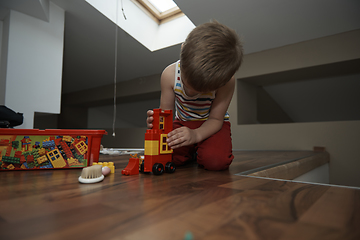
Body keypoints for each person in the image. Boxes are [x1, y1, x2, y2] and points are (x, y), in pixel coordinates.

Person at [147, 20, 243, 171]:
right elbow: (167, 117)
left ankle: (197, 147)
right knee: (167, 156)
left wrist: (196, 135)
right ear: (182, 49)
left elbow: (216, 119)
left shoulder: (227, 82)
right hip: (183, 122)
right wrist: (157, 123)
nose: (191, 93)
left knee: (216, 162)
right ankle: (192, 151)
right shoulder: (169, 75)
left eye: (200, 91)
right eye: (187, 84)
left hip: (212, 124)